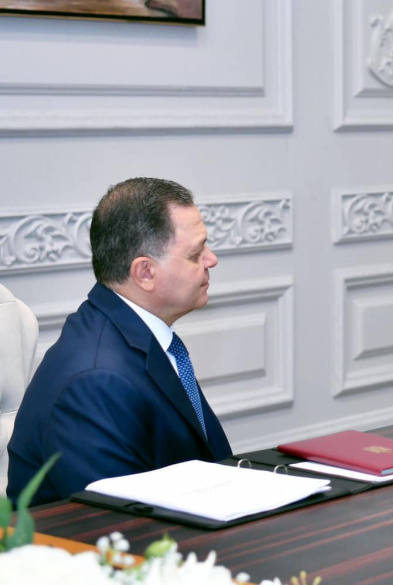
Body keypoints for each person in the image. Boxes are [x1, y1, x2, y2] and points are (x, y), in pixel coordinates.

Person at [7, 178, 231, 505]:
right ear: (145, 273)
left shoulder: (137, 333)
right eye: (196, 254)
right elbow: (117, 520)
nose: (212, 260)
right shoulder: (95, 381)